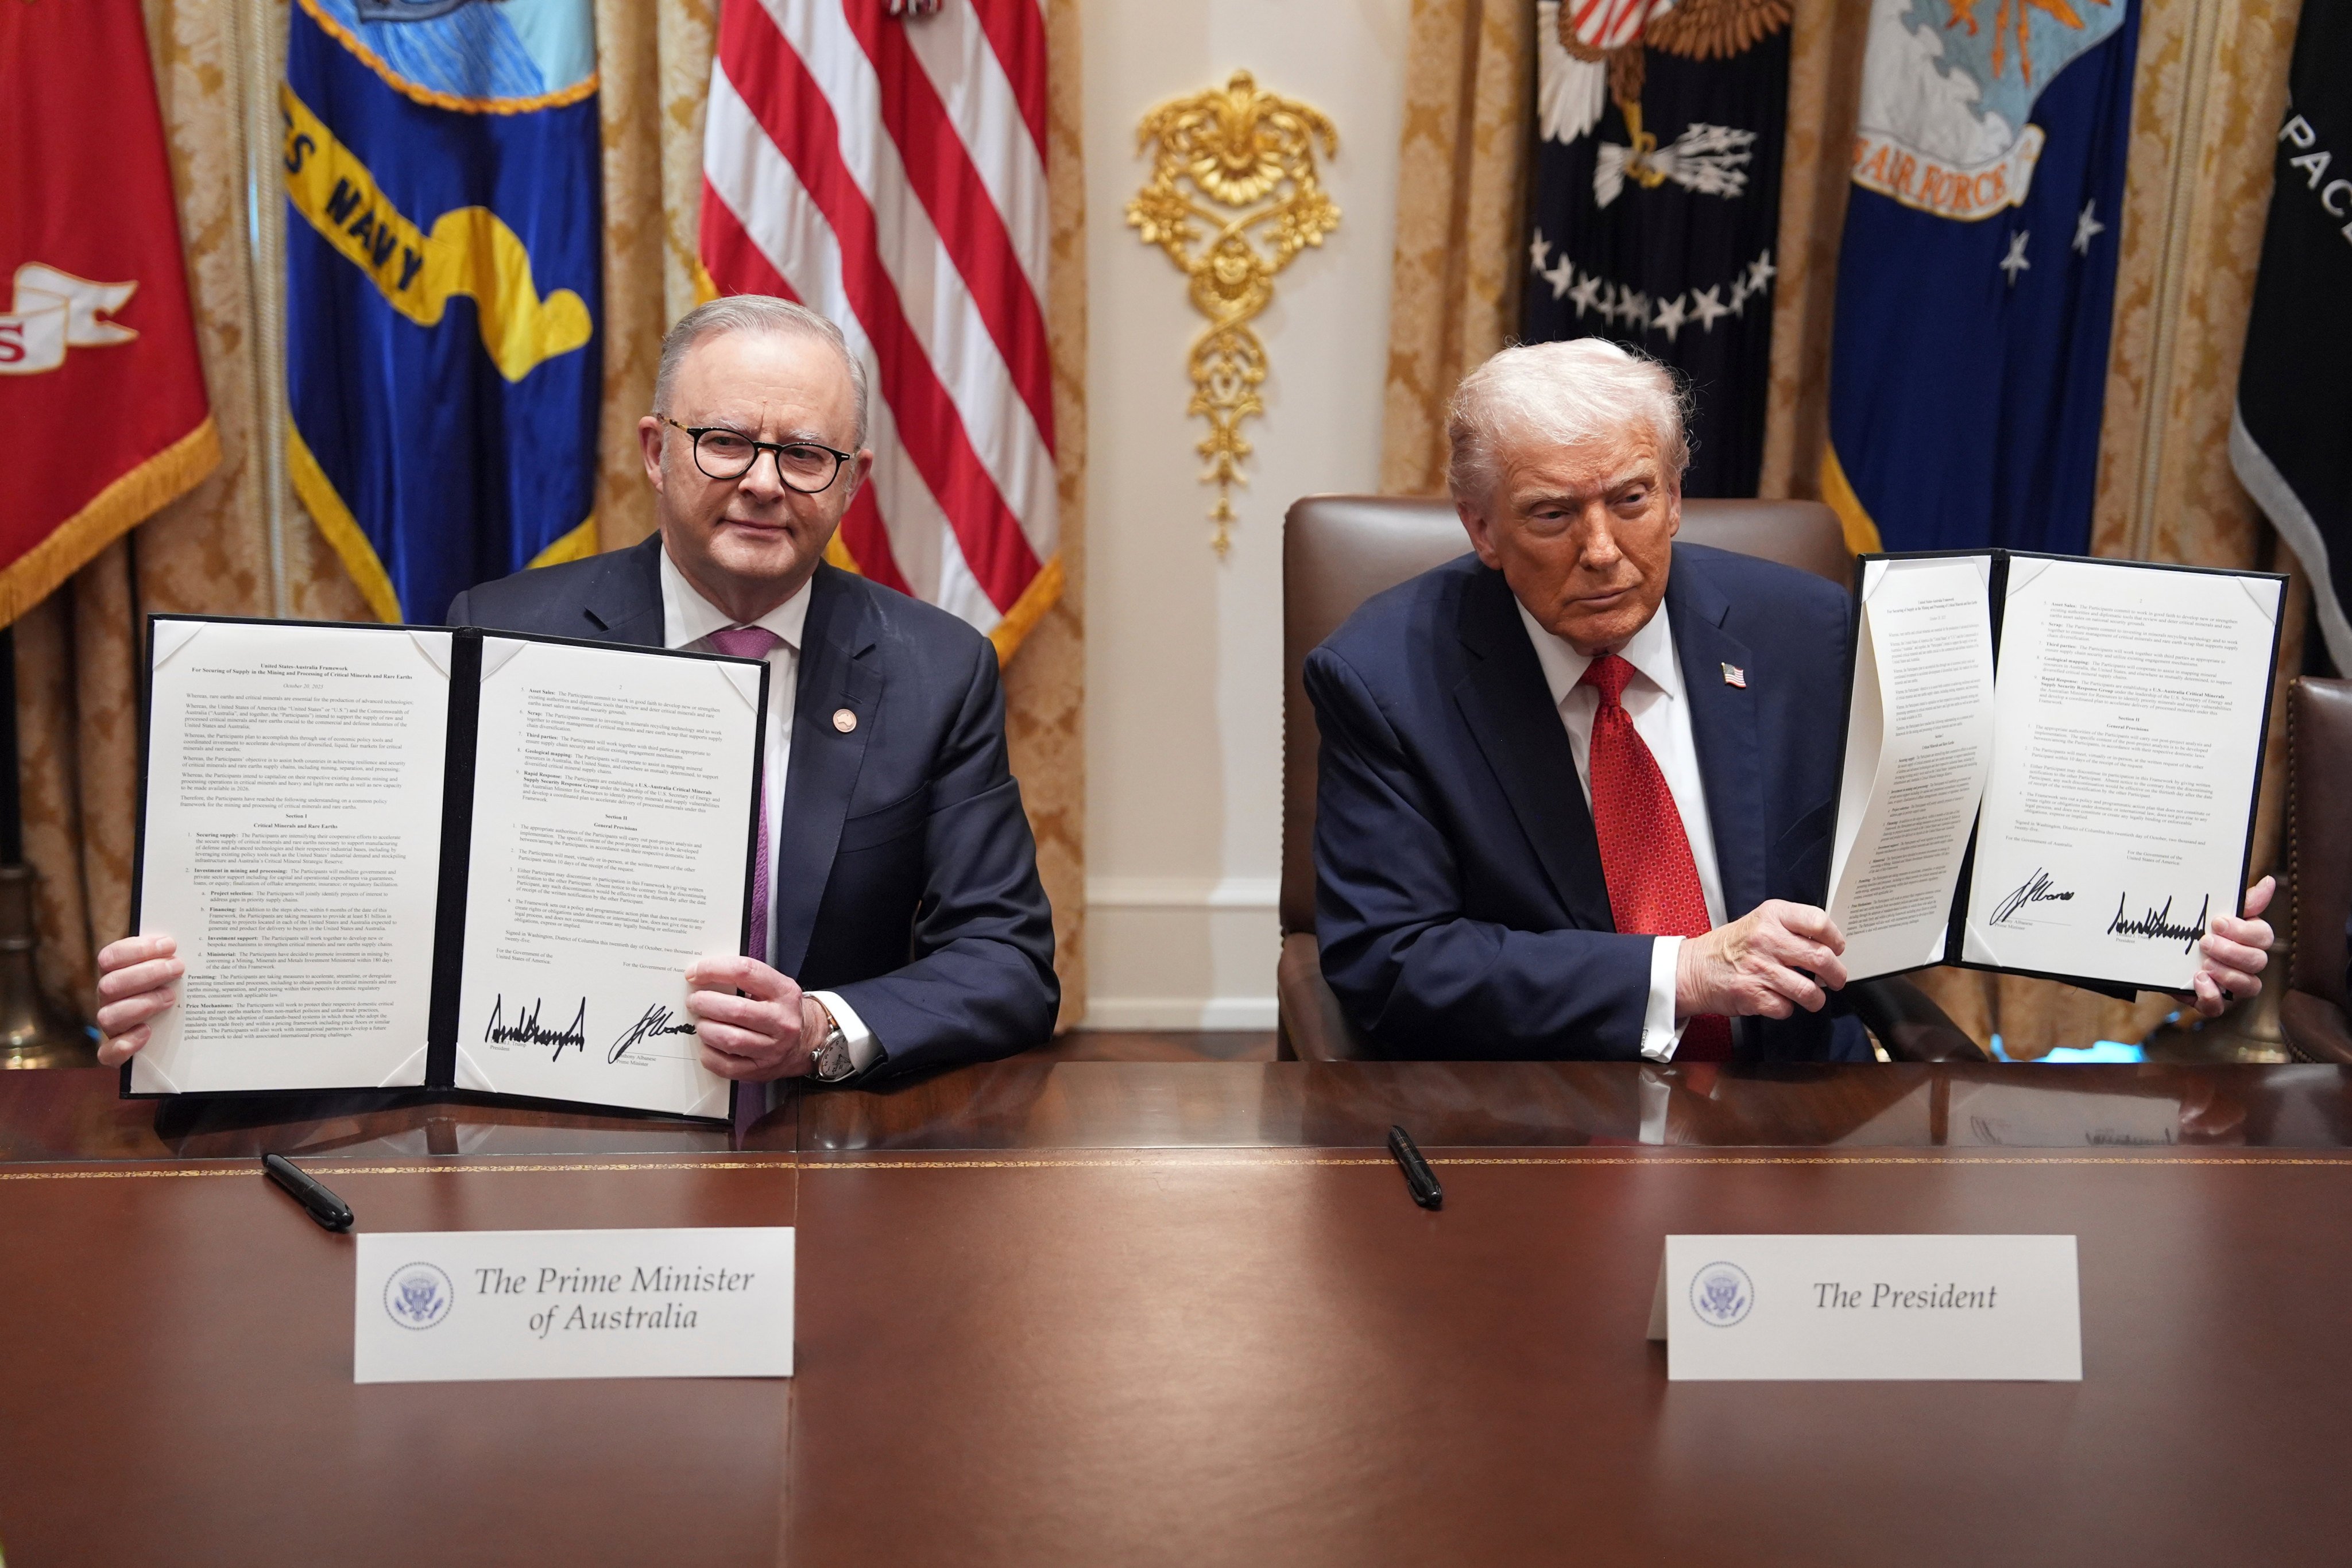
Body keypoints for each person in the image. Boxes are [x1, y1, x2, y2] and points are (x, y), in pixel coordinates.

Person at [96, 296, 1058, 1086]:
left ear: (852, 484)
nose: (764, 483)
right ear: (654, 450)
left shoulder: (937, 669)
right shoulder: (502, 631)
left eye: (806, 456)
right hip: (542, 1132)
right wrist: (205, 996)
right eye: (723, 441)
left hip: (819, 1148)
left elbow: (1007, 964)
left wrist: (814, 1026)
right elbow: (392, 905)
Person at [1306, 338, 2272, 1060]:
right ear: (1481, 526)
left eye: (1632, 501)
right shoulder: (1389, 679)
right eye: (1553, 514)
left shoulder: (1806, 630)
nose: (1601, 549)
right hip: (1545, 1108)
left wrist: (2159, 934)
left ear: (1678, 497)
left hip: (1793, 1103)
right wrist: (1677, 975)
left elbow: (1957, 860)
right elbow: (1392, 959)